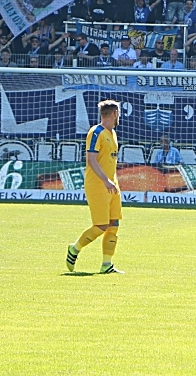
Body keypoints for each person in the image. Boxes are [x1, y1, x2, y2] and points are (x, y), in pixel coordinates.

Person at [66, 100, 123, 275]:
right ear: (114, 113)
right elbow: (91, 160)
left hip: (112, 183)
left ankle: (107, 264)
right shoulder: (96, 132)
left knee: (114, 224)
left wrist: (111, 180)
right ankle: (74, 249)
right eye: (118, 113)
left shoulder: (112, 133)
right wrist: (106, 180)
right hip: (98, 184)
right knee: (101, 225)